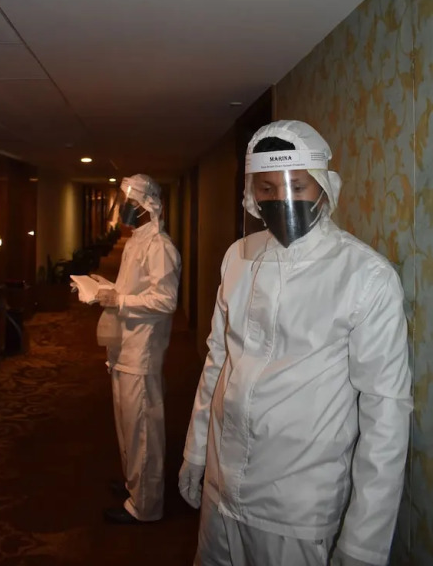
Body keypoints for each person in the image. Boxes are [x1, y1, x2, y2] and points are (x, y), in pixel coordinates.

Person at [179, 120, 411, 566]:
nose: (281, 198)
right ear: (252, 192)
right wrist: (196, 450)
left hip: (296, 510)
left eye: (296, 185)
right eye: (267, 187)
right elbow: (218, 361)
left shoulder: (364, 276)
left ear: (324, 184)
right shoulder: (238, 257)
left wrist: (364, 542)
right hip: (221, 490)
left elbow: (386, 410)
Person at [96, 173, 181, 524]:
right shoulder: (137, 241)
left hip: (142, 351)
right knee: (127, 425)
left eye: (130, 203)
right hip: (124, 347)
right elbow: (133, 289)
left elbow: (165, 300)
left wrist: (121, 300)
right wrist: (105, 290)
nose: (125, 209)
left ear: (148, 205)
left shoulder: (159, 246)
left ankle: (144, 505)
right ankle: (135, 483)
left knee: (142, 430)